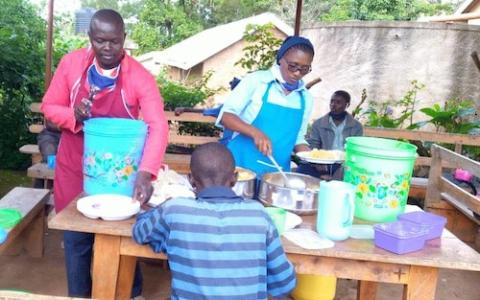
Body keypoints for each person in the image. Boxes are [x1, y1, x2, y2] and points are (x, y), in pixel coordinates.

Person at [41, 9, 169, 298]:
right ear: (90, 38)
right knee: (76, 237)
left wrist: (146, 173)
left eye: (114, 41)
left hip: (121, 171)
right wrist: (72, 113)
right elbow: (49, 107)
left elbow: (157, 125)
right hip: (75, 163)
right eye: (100, 40)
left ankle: (131, 292)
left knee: (123, 234)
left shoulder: (140, 76)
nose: (108, 48)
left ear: (124, 38)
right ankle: (79, 295)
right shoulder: (72, 65)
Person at [132, 142, 296, 299]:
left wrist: (156, 213)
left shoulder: (175, 211)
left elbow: (140, 233)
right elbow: (284, 284)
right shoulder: (258, 214)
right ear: (235, 178)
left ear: (191, 180)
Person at [217, 36, 315, 181]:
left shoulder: (305, 98)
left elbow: (298, 138)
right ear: (280, 59)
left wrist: (313, 157)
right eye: (293, 66)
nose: (297, 73)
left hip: (278, 174)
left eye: (304, 69)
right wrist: (255, 132)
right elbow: (226, 116)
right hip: (240, 168)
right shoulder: (257, 81)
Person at [298, 90, 363, 179]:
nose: (333, 105)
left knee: (346, 172)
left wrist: (345, 164)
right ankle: (325, 177)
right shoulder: (319, 124)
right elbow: (313, 145)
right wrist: (317, 163)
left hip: (344, 163)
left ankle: (332, 179)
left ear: (347, 105)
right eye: (332, 101)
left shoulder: (356, 126)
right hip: (323, 162)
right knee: (303, 169)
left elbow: (355, 150)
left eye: (338, 102)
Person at [173, 77, 242, 145]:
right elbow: (207, 111)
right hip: (235, 143)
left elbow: (207, 111)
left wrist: (185, 109)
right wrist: (185, 109)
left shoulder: (228, 106)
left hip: (230, 143)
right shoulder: (227, 106)